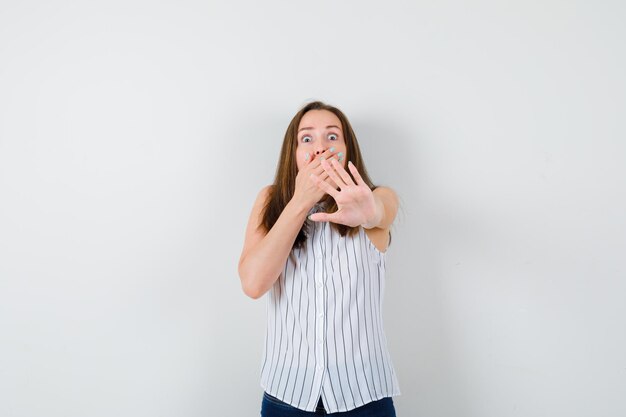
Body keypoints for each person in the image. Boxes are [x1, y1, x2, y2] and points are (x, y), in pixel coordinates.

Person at [238, 101, 401, 416]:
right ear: (294, 153)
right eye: (307, 139)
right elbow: (254, 284)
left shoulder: (377, 196)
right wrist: (301, 201)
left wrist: (369, 213)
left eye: (332, 136)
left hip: (364, 395)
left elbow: (381, 211)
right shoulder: (269, 201)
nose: (320, 147)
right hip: (287, 395)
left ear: (346, 147)